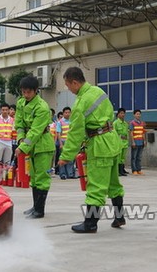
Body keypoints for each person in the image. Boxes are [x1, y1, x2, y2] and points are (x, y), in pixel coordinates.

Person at [58, 67, 125, 234]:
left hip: (100, 145)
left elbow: (75, 133)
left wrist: (66, 156)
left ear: (75, 82)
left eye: (68, 85)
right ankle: (119, 217)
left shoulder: (80, 103)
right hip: (112, 140)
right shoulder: (98, 91)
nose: (69, 89)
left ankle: (90, 223)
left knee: (96, 186)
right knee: (113, 184)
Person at [15, 76, 55, 219]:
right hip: (29, 144)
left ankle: (40, 210)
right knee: (33, 177)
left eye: (28, 92)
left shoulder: (42, 107)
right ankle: (35, 206)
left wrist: (23, 146)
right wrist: (20, 138)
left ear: (35, 91)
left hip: (42, 145)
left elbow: (36, 131)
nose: (25, 95)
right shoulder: (20, 103)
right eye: (23, 92)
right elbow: (19, 123)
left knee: (42, 177)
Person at [0, 103, 14, 171]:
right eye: (3, 110)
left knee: (7, 162)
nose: (4, 111)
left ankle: (5, 179)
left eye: (6, 110)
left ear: (9, 110)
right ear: (1, 110)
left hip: (9, 142)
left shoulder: (12, 120)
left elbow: (14, 131)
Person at [56, 107, 75, 180]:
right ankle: (63, 174)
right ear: (63, 113)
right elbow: (58, 133)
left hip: (70, 141)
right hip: (63, 141)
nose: (67, 114)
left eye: (69, 112)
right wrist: (60, 143)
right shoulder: (60, 122)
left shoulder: (72, 121)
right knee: (63, 158)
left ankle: (70, 174)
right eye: (66, 112)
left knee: (71, 158)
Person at [129, 109, 146, 175]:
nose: (138, 115)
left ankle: (139, 169)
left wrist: (144, 141)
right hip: (135, 142)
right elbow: (131, 133)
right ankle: (134, 170)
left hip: (141, 142)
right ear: (134, 115)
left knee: (139, 157)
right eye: (137, 114)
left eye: (139, 114)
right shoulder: (132, 123)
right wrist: (133, 142)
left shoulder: (142, 123)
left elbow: (143, 132)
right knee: (134, 157)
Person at [113, 108, 129, 176]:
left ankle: (122, 169)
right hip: (118, 142)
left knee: (123, 157)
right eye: (121, 113)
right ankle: (118, 171)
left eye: (124, 113)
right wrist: (119, 137)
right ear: (118, 114)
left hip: (125, 142)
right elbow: (114, 133)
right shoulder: (115, 123)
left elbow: (127, 133)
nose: (123, 115)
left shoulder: (125, 123)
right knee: (119, 157)